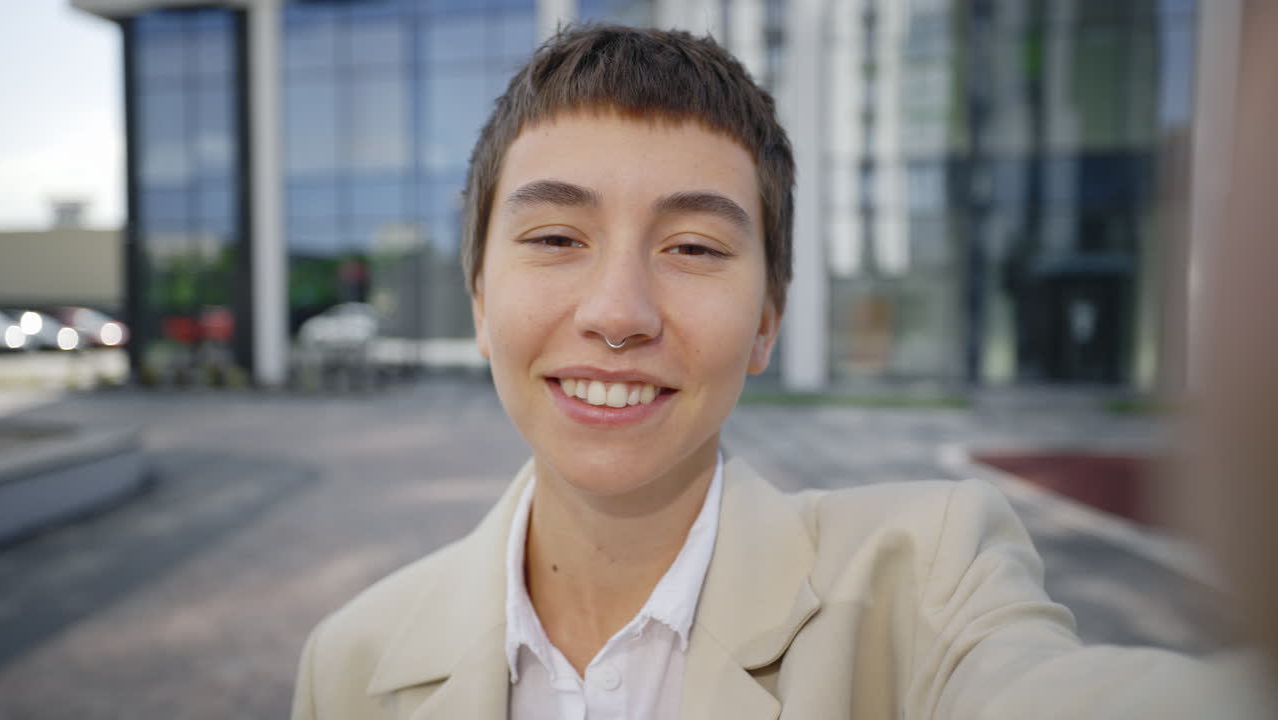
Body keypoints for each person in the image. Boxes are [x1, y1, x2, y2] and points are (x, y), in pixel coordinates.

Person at [291, 25, 1270, 720]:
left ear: (767, 320)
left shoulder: (923, 580)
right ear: (475, 296)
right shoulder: (350, 665)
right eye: (555, 236)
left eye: (693, 248)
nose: (618, 313)